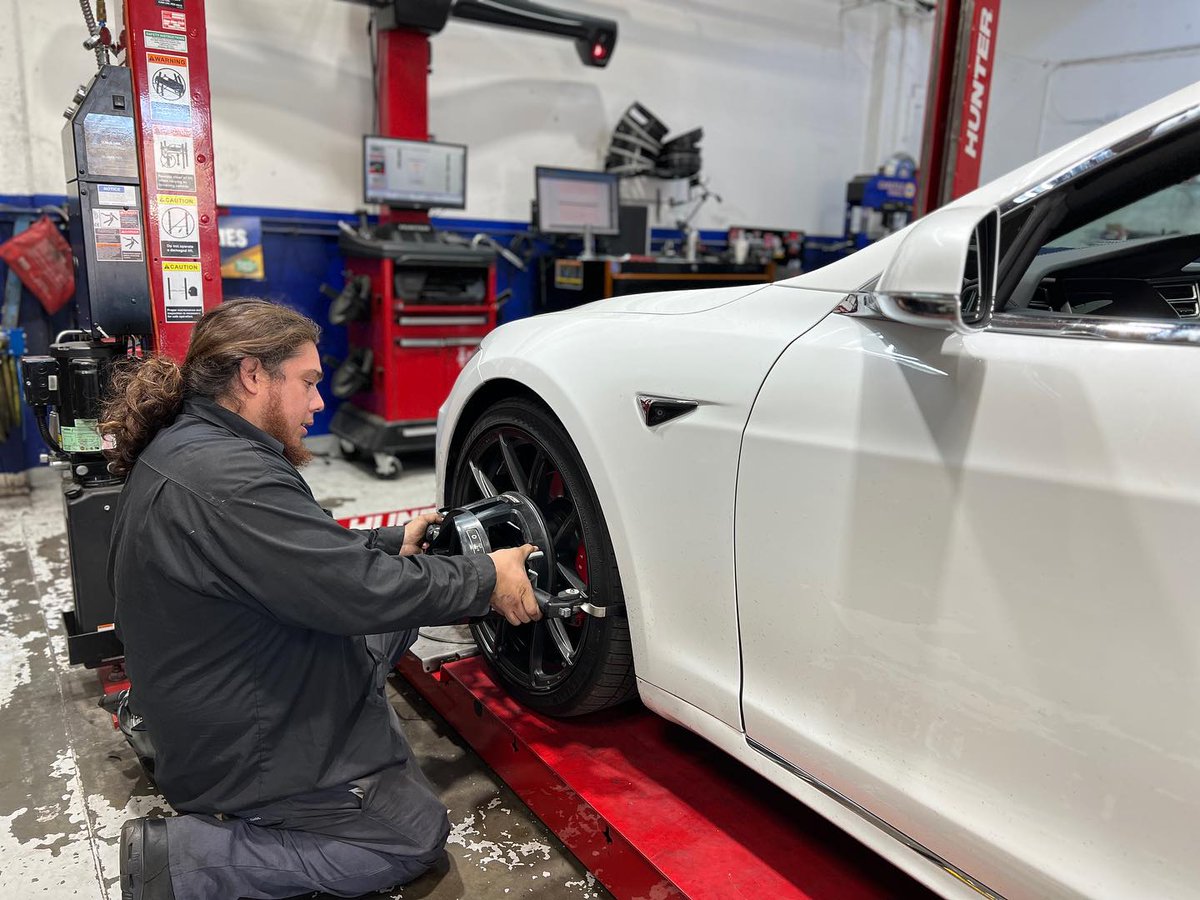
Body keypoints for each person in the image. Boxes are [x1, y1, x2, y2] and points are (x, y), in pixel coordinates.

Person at [102, 299, 541, 900]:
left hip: (208, 682)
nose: (319, 403)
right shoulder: (233, 479)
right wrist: (484, 579)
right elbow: (355, 592)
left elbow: (294, 557)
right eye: (308, 383)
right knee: (410, 836)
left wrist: (391, 542)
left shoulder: (198, 447)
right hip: (237, 738)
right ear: (254, 375)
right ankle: (185, 861)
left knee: (398, 615)